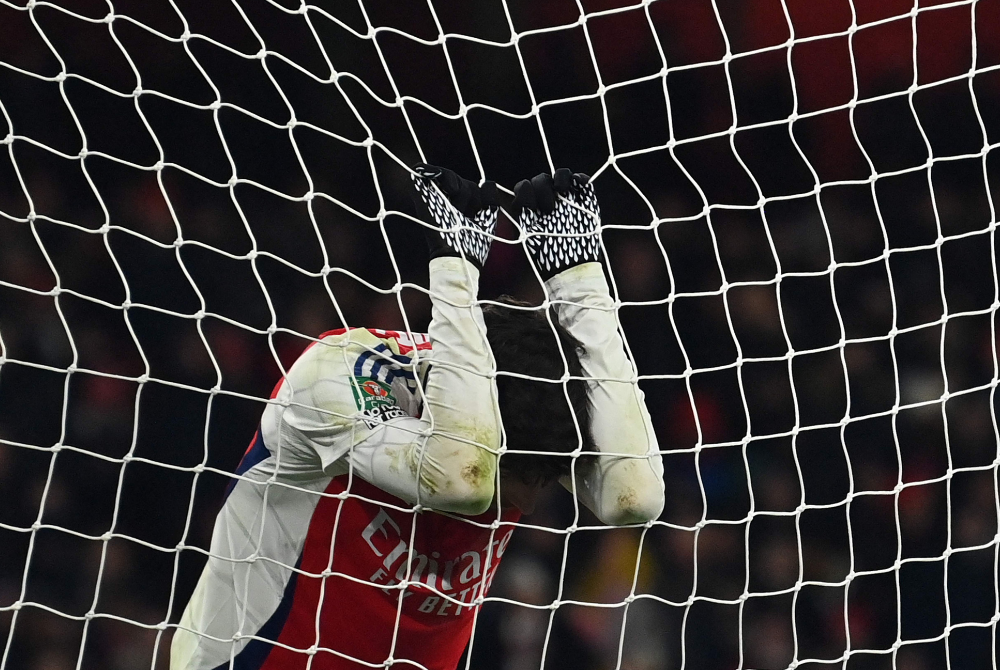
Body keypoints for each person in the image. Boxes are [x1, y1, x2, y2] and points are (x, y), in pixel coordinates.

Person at [170, 165, 665, 670]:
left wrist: (580, 284)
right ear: (492, 430)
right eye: (521, 475)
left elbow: (634, 496)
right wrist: (454, 273)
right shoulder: (334, 377)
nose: (532, 496)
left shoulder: (528, 415)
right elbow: (460, 480)